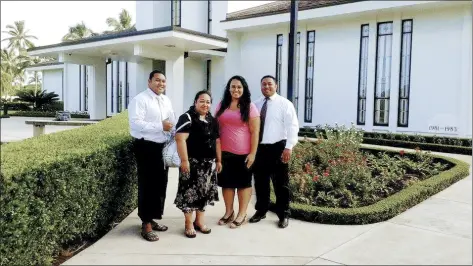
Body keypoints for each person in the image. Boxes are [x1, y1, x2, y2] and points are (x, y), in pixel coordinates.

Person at [128, 70, 175, 241]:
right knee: (147, 185)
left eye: (163, 81)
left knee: (160, 184)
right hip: (146, 147)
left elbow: (171, 120)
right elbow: (135, 123)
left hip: (162, 147)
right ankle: (145, 224)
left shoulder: (166, 100)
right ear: (149, 82)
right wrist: (159, 126)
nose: (161, 84)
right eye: (157, 80)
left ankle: (153, 218)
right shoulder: (140, 100)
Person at [249, 75, 299, 229]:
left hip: (278, 148)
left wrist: (289, 147)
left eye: (269, 84)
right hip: (260, 149)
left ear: (276, 86)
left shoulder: (285, 104)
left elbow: (293, 126)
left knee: (281, 184)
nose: (266, 87)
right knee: (260, 182)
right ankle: (261, 210)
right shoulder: (255, 105)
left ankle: (283, 214)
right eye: (263, 84)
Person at [174, 90, 222, 238]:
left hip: (208, 165)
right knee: (189, 194)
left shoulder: (212, 120)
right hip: (191, 164)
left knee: (204, 193)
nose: (205, 104)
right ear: (195, 102)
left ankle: (199, 222)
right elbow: (180, 139)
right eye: (202, 101)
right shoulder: (187, 118)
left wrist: (219, 160)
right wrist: (184, 160)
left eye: (208, 102)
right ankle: (188, 224)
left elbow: (217, 141)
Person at [215, 75, 260, 229]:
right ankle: (229, 212)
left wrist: (253, 153)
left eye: (239, 87)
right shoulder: (222, 105)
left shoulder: (250, 107)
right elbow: (216, 127)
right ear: (229, 88)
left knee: (243, 184)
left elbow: (255, 132)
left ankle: (242, 214)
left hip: (244, 154)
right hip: (224, 152)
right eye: (233, 86)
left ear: (244, 89)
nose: (236, 89)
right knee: (226, 184)